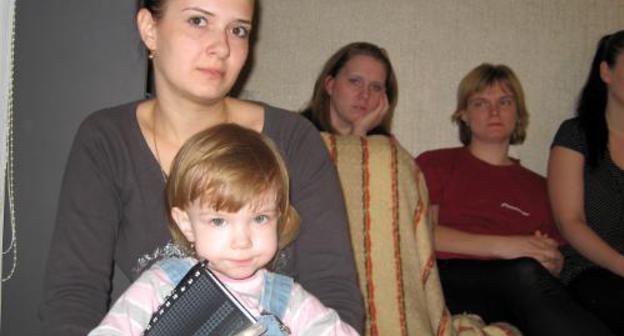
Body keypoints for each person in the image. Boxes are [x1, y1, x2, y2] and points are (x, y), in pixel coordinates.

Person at [40, 0, 363, 334]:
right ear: (150, 29)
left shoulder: (294, 140)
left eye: (238, 30)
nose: (221, 47)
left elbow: (334, 295)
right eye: (198, 21)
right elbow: (73, 296)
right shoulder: (107, 140)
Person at [88, 124, 358, 336]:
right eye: (219, 221)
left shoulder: (289, 301)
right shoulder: (160, 285)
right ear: (186, 224)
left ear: (279, 217)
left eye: (260, 218)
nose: (242, 241)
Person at [416, 63, 613, 336]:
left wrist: (554, 263)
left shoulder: (540, 186)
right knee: (523, 271)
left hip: (519, 291)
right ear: (463, 114)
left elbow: (556, 253)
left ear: (517, 113)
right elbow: (423, 234)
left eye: (504, 102)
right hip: (449, 280)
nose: (494, 111)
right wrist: (509, 247)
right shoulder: (436, 163)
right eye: (480, 103)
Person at [548, 30, 624, 335]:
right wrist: (621, 265)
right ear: (606, 72)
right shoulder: (576, 134)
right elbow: (570, 222)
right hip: (589, 269)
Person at [301, 41, 398, 136]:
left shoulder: (389, 149)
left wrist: (360, 130)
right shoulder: (294, 134)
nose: (365, 95)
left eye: (375, 87)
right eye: (355, 82)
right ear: (330, 84)